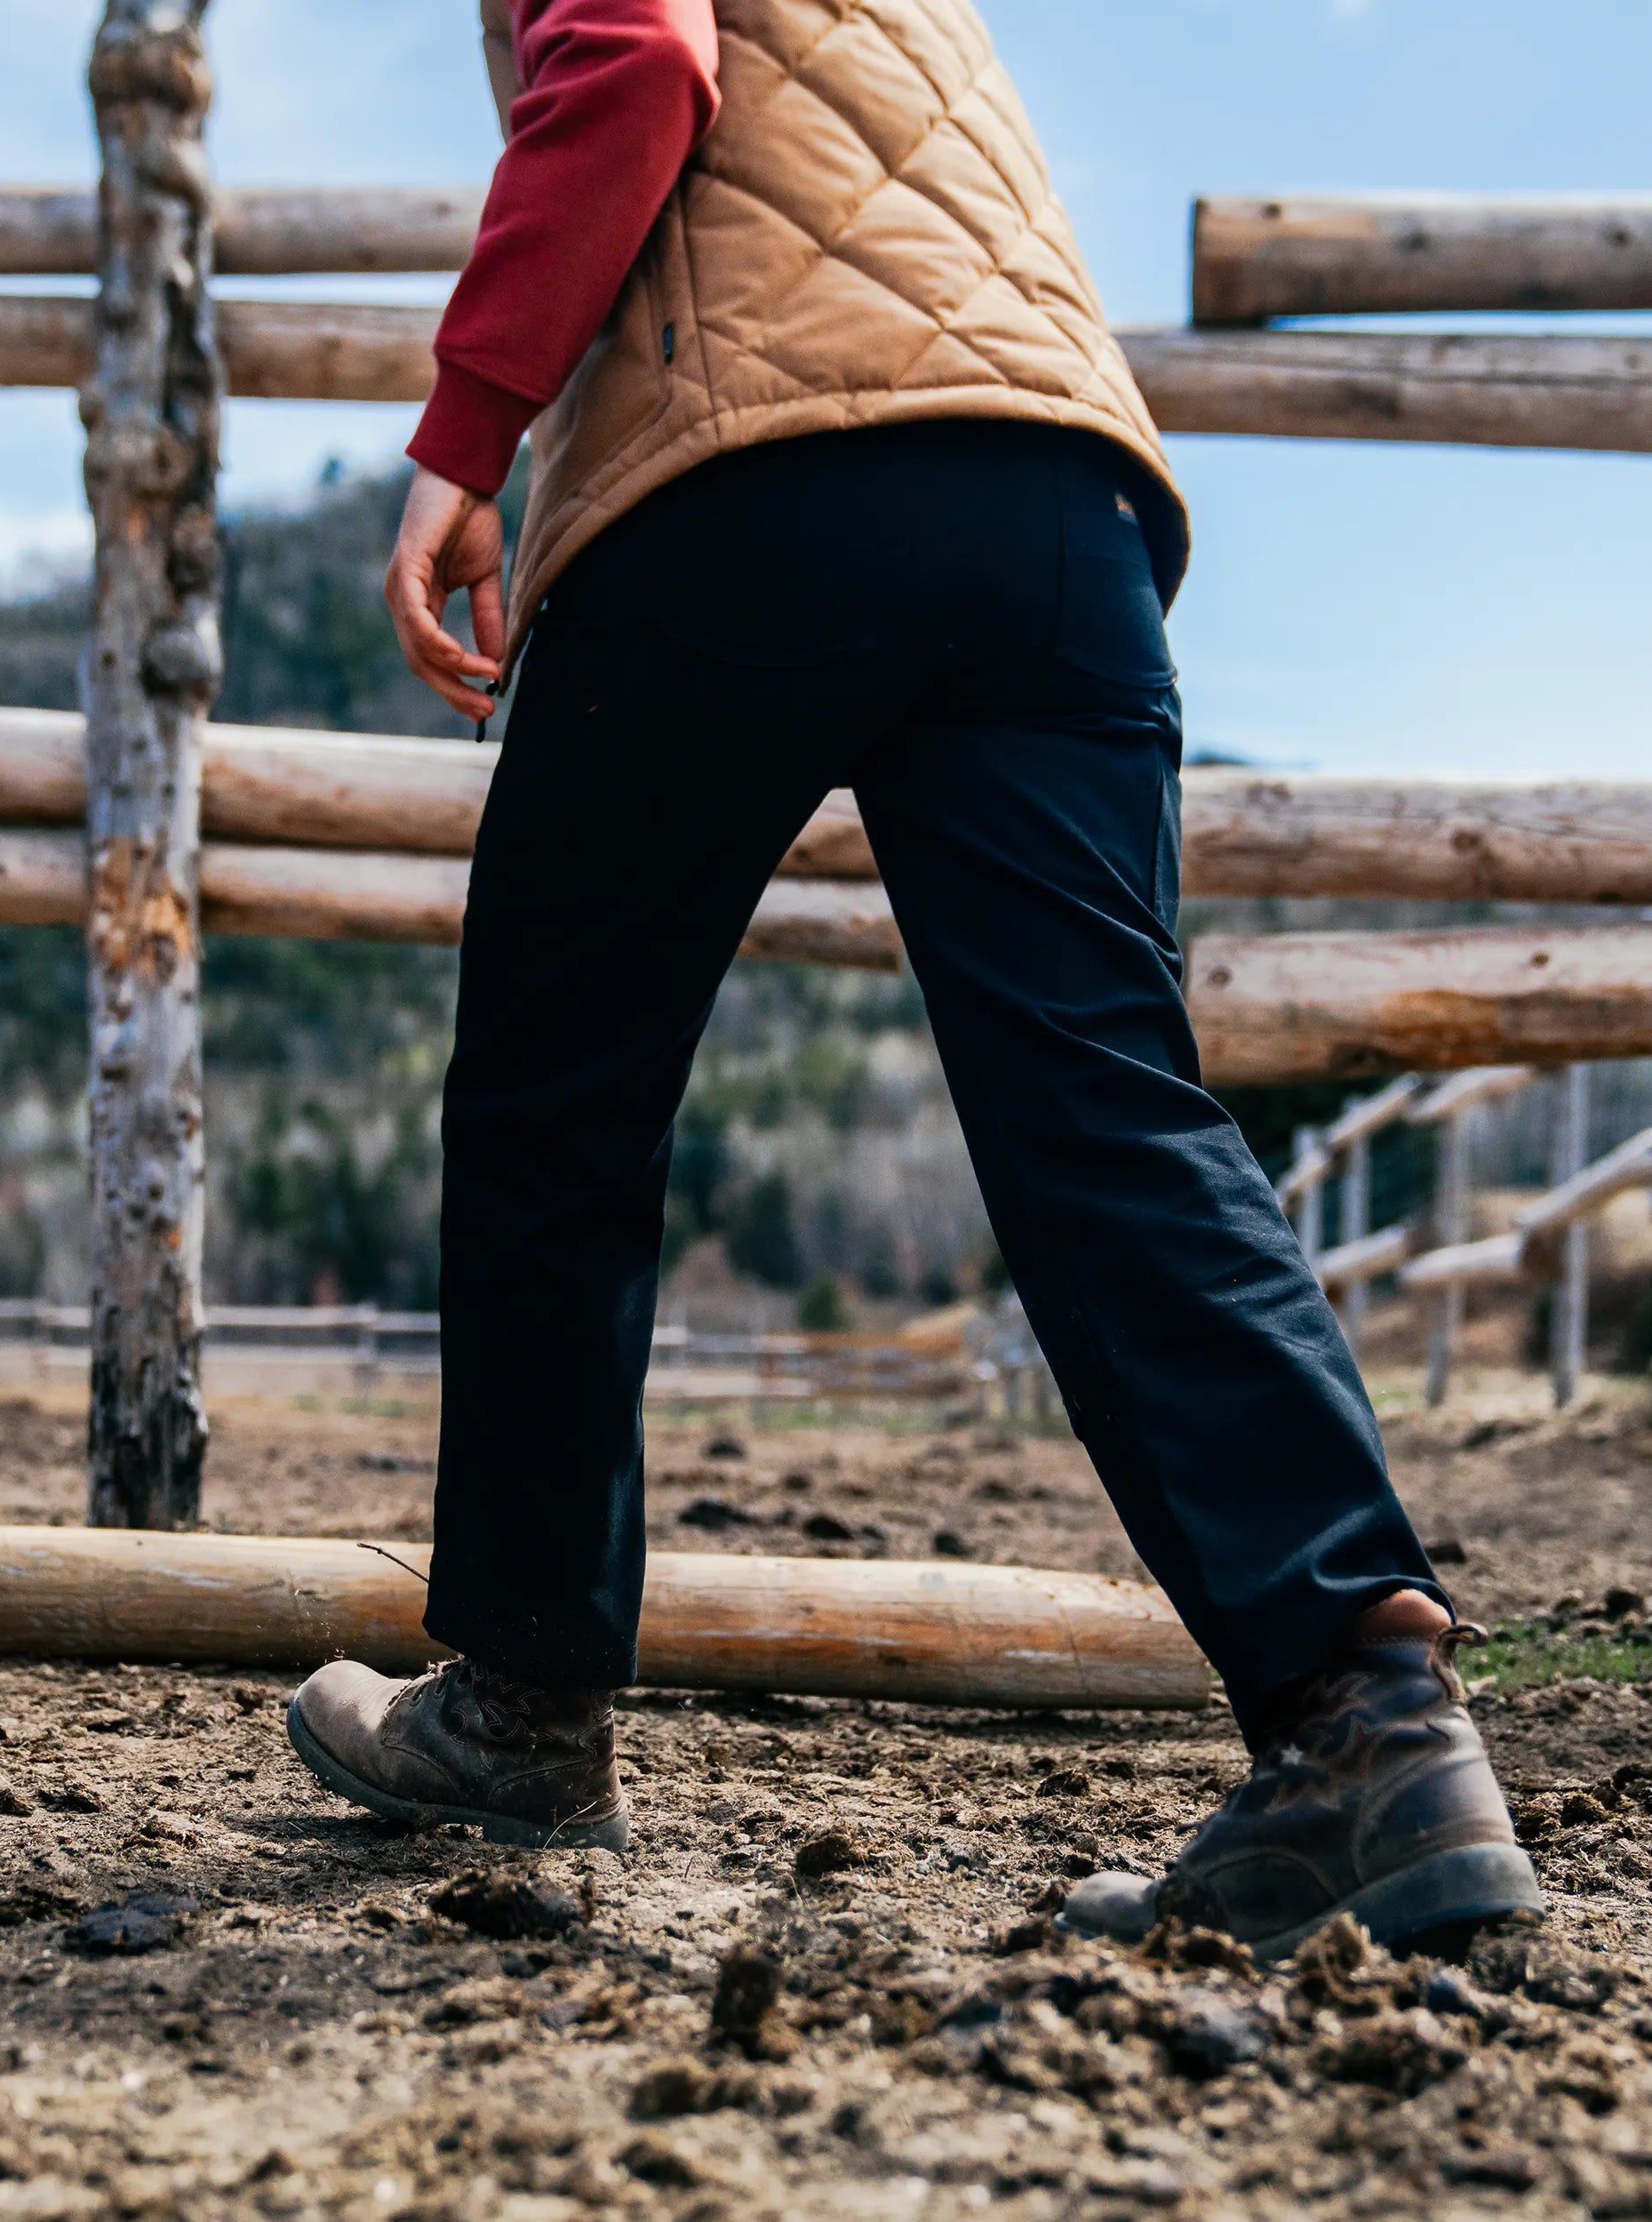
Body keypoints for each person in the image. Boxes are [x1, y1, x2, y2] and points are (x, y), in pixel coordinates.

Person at [283, 0, 1542, 1961]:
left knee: (559, 1099)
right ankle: (1365, 1719)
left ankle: (527, 1706)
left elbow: (632, 60)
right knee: (1114, 1103)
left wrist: (467, 436)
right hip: (1061, 499)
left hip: (750, 485)